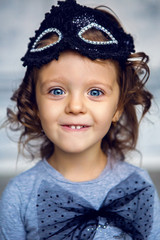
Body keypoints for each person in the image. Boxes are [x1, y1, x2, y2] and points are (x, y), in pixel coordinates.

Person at [0, 0, 159, 239]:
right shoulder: (19, 196)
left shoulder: (139, 186)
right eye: (56, 91)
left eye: (95, 92)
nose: (75, 107)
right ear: (34, 103)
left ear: (118, 108)